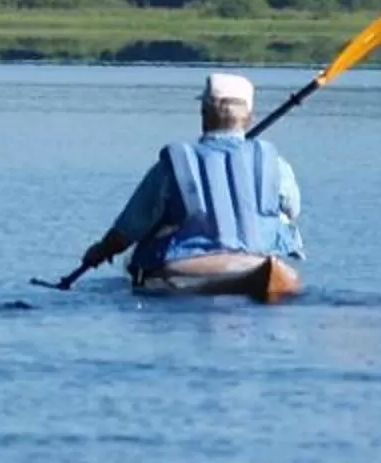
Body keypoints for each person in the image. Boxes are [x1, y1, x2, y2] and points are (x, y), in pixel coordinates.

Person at [64, 70, 303, 295]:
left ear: (204, 115)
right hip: (260, 258)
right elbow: (292, 211)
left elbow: (129, 228)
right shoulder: (275, 164)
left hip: (186, 263)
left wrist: (100, 252)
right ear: (249, 118)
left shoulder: (174, 164)